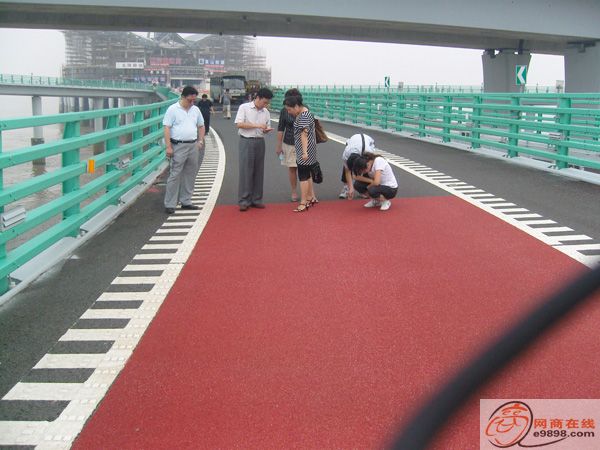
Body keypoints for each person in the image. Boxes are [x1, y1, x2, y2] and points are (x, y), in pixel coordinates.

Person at [162, 85, 205, 214]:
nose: (192, 102)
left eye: (194, 100)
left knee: (190, 174)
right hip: (178, 145)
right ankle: (170, 204)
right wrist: (168, 146)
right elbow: (167, 128)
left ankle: (186, 201)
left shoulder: (195, 110)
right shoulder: (173, 109)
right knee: (175, 174)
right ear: (183, 97)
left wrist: (200, 141)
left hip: (193, 145)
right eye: (190, 100)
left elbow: (201, 125)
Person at [234, 87, 274, 211]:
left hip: (260, 141)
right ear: (258, 98)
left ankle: (257, 199)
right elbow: (239, 124)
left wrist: (266, 130)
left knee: (259, 171)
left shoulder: (266, 112)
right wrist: (257, 125)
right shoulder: (244, 107)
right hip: (246, 140)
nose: (265, 105)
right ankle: (244, 200)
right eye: (264, 102)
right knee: (246, 171)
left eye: (267, 103)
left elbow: (265, 127)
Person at [283, 95, 318, 213]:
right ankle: (309, 198)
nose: (289, 112)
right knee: (307, 175)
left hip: (305, 150)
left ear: (297, 106)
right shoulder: (306, 113)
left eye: (289, 109)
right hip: (307, 149)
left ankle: (304, 202)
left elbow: (304, 135)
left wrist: (304, 152)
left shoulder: (303, 116)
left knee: (303, 176)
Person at [276, 88, 302, 202]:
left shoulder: (304, 109)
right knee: (292, 168)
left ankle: (308, 192)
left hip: (303, 143)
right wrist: (279, 145)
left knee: (305, 169)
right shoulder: (284, 111)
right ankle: (294, 191)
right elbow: (281, 128)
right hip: (289, 142)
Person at [339, 133, 375, 199]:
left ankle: (363, 189)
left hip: (368, 142)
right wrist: (351, 188)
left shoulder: (368, 153)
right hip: (352, 141)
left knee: (367, 168)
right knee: (346, 168)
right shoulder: (346, 155)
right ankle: (346, 187)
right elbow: (348, 171)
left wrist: (373, 181)